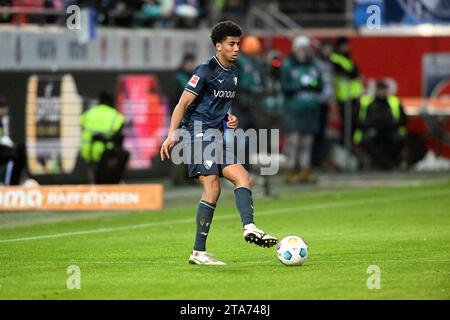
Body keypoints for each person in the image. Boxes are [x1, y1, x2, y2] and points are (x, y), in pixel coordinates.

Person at [160, 20, 277, 265]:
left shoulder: (233, 73)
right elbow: (182, 105)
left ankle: (249, 227)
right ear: (218, 46)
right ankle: (198, 252)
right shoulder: (205, 70)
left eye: (238, 44)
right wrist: (172, 134)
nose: (236, 48)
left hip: (215, 134)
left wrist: (227, 118)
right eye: (231, 44)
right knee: (212, 188)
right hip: (197, 134)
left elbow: (216, 106)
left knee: (244, 178)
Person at [280, 35, 323, 184]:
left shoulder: (313, 65)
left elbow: (321, 84)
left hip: (310, 107)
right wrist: (298, 87)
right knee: (294, 140)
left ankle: (305, 170)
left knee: (307, 141)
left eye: (306, 48)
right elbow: (284, 87)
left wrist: (313, 85)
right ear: (295, 49)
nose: (303, 51)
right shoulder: (288, 65)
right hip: (294, 108)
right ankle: (290, 170)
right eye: (301, 48)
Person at [353, 79, 408, 170]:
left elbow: (404, 118)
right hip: (371, 129)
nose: (382, 91)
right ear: (376, 90)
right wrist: (370, 125)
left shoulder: (394, 101)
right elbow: (357, 119)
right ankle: (385, 163)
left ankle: (386, 162)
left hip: (390, 130)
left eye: (384, 89)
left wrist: (392, 125)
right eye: (380, 89)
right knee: (367, 140)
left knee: (399, 139)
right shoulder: (365, 101)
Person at [80, 91, 129, 184]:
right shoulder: (115, 115)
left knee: (95, 177)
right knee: (123, 154)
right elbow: (118, 137)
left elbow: (82, 127)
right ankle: (116, 181)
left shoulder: (88, 114)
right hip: (105, 154)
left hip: (87, 153)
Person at [330, 37, 364, 147]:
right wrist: (353, 74)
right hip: (344, 96)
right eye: (344, 45)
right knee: (347, 123)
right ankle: (345, 145)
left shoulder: (348, 57)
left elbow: (356, 72)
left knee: (354, 122)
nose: (346, 47)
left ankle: (350, 145)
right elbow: (352, 74)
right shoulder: (335, 58)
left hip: (354, 95)